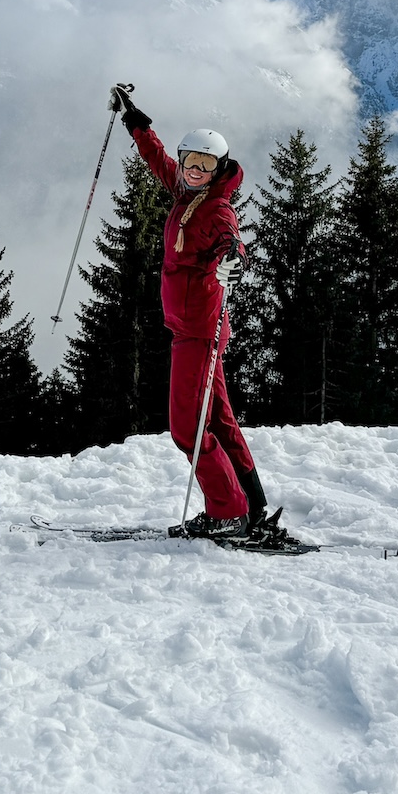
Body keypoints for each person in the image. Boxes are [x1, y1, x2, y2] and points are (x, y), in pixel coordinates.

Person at [110, 85, 271, 540]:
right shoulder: (184, 193)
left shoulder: (216, 208)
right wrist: (135, 121)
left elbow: (230, 240)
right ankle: (250, 505)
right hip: (191, 329)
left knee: (186, 426)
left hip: (200, 332)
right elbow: (157, 160)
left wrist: (233, 260)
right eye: (190, 163)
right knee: (217, 418)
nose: (195, 171)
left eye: (205, 166)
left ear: (219, 169)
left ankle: (226, 512)